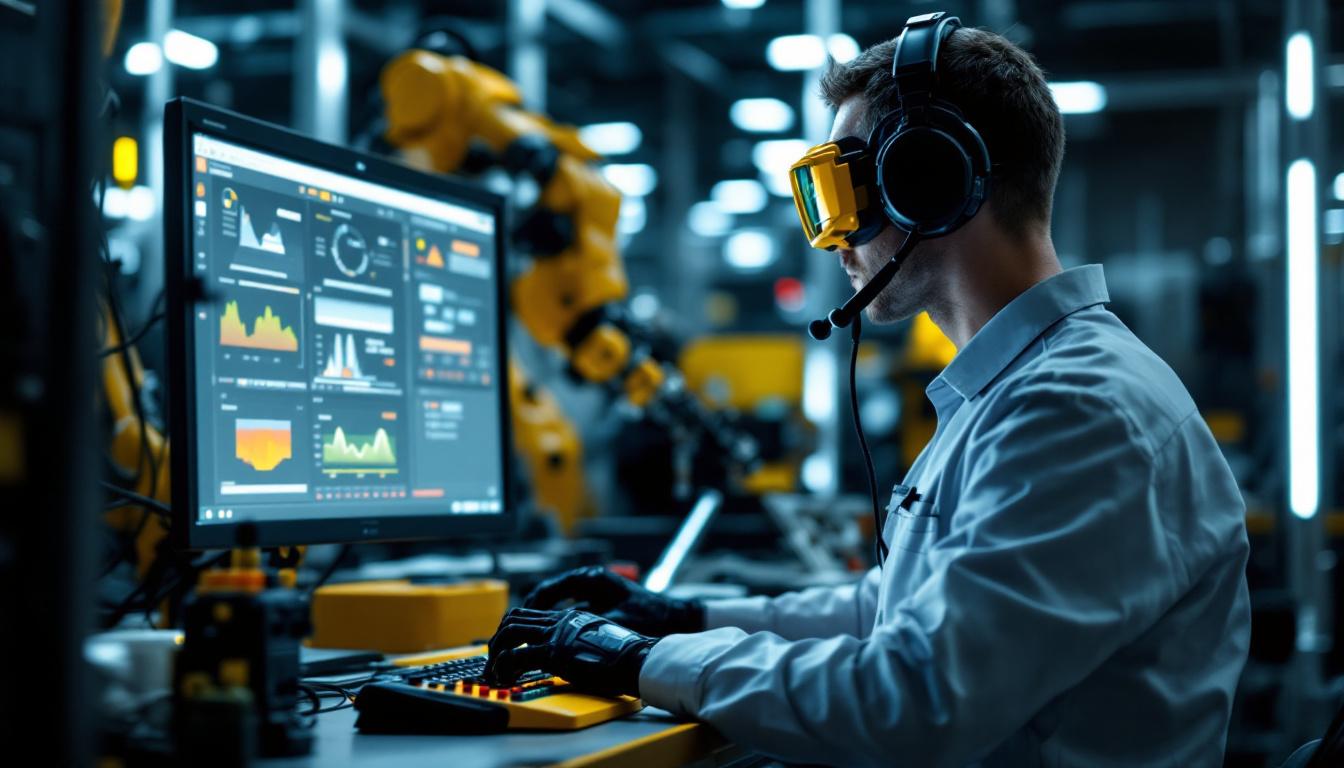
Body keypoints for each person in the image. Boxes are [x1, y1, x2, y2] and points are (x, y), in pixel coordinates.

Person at [485, 15, 1250, 767]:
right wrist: (679, 617)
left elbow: (913, 699)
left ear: (927, 179)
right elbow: (891, 611)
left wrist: (639, 661)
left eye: (842, 189)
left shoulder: (1078, 410)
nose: (833, 236)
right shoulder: (1016, 390)